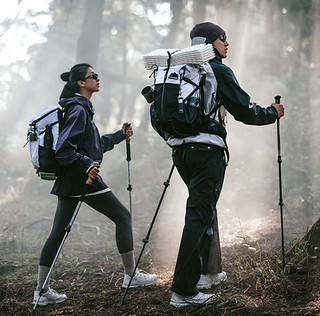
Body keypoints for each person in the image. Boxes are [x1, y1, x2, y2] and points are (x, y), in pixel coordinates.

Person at [168, 22, 285, 308]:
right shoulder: (216, 70)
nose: (227, 43)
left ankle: (210, 271)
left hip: (181, 152)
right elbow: (244, 110)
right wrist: (272, 113)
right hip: (207, 152)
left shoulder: (181, 72)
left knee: (204, 208)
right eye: (223, 38)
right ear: (211, 42)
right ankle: (183, 291)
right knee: (198, 214)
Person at [33, 63, 157, 307]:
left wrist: (119, 136)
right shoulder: (78, 109)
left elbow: (93, 145)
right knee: (123, 216)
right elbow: (64, 150)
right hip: (83, 178)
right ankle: (130, 275)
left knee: (58, 232)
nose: (98, 79)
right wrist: (87, 165)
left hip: (71, 179)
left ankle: (41, 290)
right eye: (93, 76)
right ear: (81, 82)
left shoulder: (78, 109)